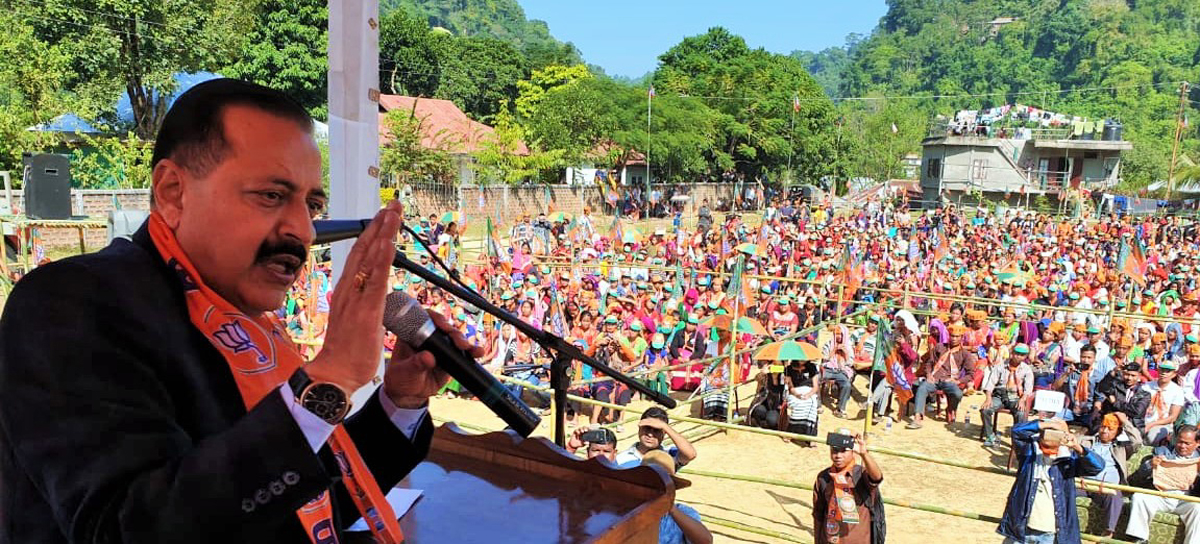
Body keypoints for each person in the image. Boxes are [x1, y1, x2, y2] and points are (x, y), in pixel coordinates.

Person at [0, 79, 484, 542]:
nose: (303, 231)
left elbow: (300, 505)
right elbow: (129, 528)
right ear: (172, 192)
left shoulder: (240, 318)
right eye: (271, 196)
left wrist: (400, 401)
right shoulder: (70, 305)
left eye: (312, 205)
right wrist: (331, 378)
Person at [997, 418, 1104, 544]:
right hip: (1021, 526)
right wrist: (1046, 424)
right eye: (1048, 431)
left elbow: (1097, 466)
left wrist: (1077, 446)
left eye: (1056, 433)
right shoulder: (1029, 451)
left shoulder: (1068, 460)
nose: (1051, 434)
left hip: (1050, 531)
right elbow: (1017, 431)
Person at [1125, 425, 1200, 544]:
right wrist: (1149, 465)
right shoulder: (1161, 452)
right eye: (1180, 442)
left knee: (1198, 508)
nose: (1182, 446)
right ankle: (1139, 539)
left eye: (1187, 443)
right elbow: (1134, 480)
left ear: (1197, 443)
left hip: (1185, 500)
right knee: (1139, 497)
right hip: (1162, 497)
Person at [811, 430, 886, 544]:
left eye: (843, 451)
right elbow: (818, 515)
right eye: (834, 450)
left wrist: (864, 454)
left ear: (852, 451)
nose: (838, 456)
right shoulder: (824, 478)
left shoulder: (860, 475)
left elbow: (877, 478)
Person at [1079, 412, 1143, 538]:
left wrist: (1125, 422)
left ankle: (1108, 533)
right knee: (1063, 488)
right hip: (1083, 484)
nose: (1104, 431)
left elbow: (1137, 442)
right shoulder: (1086, 441)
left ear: (1118, 432)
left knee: (1115, 495)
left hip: (1106, 488)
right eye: (1103, 427)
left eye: (1110, 429)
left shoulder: (1121, 448)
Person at [640, 450, 713, 544]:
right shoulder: (628, 512)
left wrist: (671, 508)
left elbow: (705, 541)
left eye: (662, 483)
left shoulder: (684, 512)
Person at [981, 344, 1035, 447]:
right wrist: (988, 398)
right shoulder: (1000, 366)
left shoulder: (1026, 369)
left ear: (1025, 356)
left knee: (1021, 413)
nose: (1018, 356)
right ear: (1012, 353)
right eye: (1016, 353)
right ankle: (990, 435)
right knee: (985, 410)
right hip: (1000, 395)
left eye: (1022, 355)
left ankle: (1017, 440)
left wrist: (1023, 399)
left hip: (1016, 396)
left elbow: (1028, 388)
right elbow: (991, 383)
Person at [614, 407, 698, 469]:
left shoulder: (669, 454)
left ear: (664, 433)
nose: (650, 434)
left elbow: (690, 454)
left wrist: (664, 426)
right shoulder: (621, 459)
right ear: (639, 428)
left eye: (656, 430)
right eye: (647, 428)